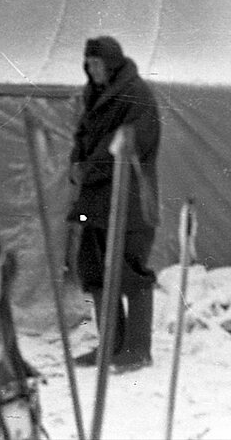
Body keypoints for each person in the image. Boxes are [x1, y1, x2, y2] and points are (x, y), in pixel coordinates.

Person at [67, 36, 161, 374]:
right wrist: (76, 161)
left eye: (97, 64)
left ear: (112, 63)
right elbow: (83, 137)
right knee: (94, 270)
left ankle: (137, 349)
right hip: (94, 200)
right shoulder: (92, 97)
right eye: (88, 64)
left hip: (129, 200)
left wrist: (88, 168)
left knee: (129, 271)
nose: (92, 71)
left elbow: (125, 146)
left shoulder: (137, 96)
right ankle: (110, 345)